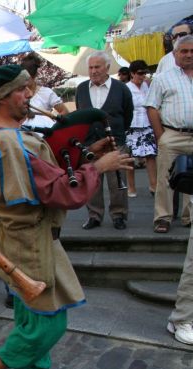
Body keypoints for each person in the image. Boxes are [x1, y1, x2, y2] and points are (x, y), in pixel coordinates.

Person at [0, 64, 132, 369]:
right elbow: (59, 190)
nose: (29, 95)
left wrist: (87, 152)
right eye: (21, 90)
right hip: (29, 243)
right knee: (48, 323)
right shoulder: (8, 143)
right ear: (0, 97)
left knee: (31, 317)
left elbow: (49, 172)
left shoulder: (4, 137)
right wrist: (99, 168)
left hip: (29, 239)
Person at [75, 51, 133, 230]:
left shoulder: (121, 88)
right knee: (92, 179)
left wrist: (118, 134)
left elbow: (127, 114)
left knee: (117, 182)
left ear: (107, 67)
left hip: (115, 141)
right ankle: (94, 215)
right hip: (91, 143)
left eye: (97, 67)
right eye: (90, 67)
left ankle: (119, 215)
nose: (93, 71)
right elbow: (80, 113)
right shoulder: (82, 89)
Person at [145, 34, 193, 234]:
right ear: (175, 55)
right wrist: (160, 135)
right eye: (184, 51)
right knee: (165, 178)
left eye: (192, 51)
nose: (189, 55)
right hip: (172, 134)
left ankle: (188, 216)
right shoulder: (163, 78)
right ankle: (163, 217)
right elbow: (152, 107)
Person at [124, 60, 157, 197]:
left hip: (147, 123)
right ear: (132, 73)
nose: (143, 76)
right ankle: (131, 187)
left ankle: (154, 185)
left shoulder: (147, 86)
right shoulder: (126, 88)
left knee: (151, 155)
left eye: (145, 73)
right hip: (132, 125)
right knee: (130, 157)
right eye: (140, 73)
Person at [20, 53, 70, 129]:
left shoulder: (46, 93)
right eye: (23, 77)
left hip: (46, 135)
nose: (25, 81)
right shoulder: (18, 94)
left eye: (28, 78)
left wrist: (52, 124)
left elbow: (65, 112)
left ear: (35, 75)